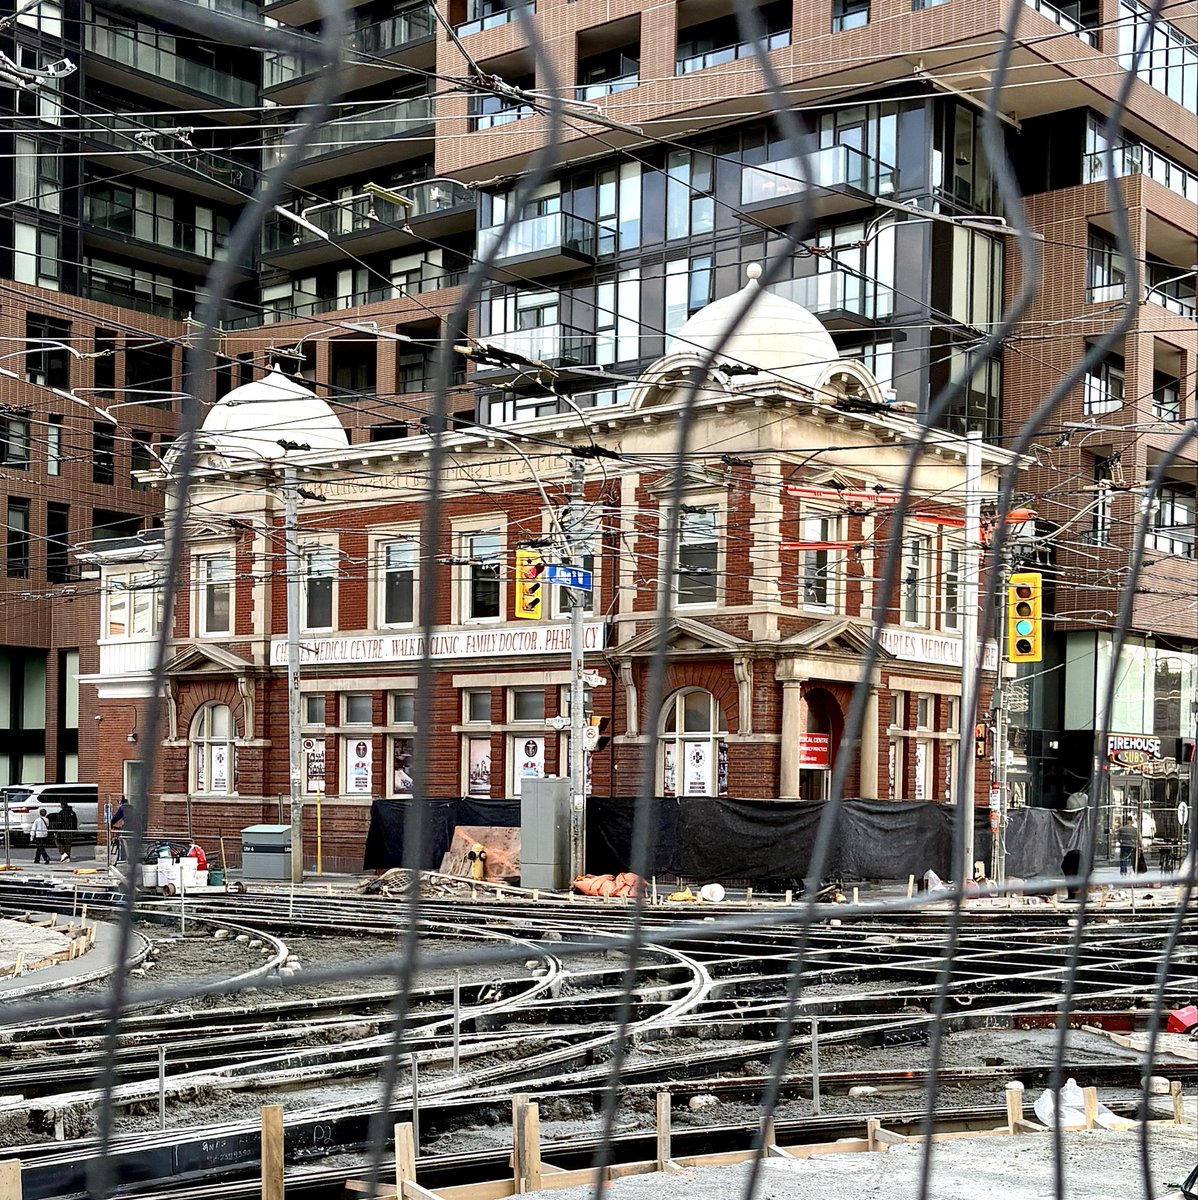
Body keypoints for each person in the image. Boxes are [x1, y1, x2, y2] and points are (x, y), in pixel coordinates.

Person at [54, 798, 78, 863]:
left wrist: (56, 831)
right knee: (68, 844)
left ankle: (63, 854)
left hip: (63, 830)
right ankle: (67, 857)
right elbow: (75, 822)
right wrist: (75, 830)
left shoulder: (61, 813)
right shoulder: (73, 813)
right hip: (71, 831)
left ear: (62, 805)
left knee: (58, 841)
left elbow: (59, 823)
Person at [110, 796, 131, 864]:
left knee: (123, 840)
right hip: (136, 827)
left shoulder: (122, 808)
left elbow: (116, 817)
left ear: (121, 803)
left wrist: (110, 824)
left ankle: (124, 857)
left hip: (128, 827)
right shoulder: (131, 808)